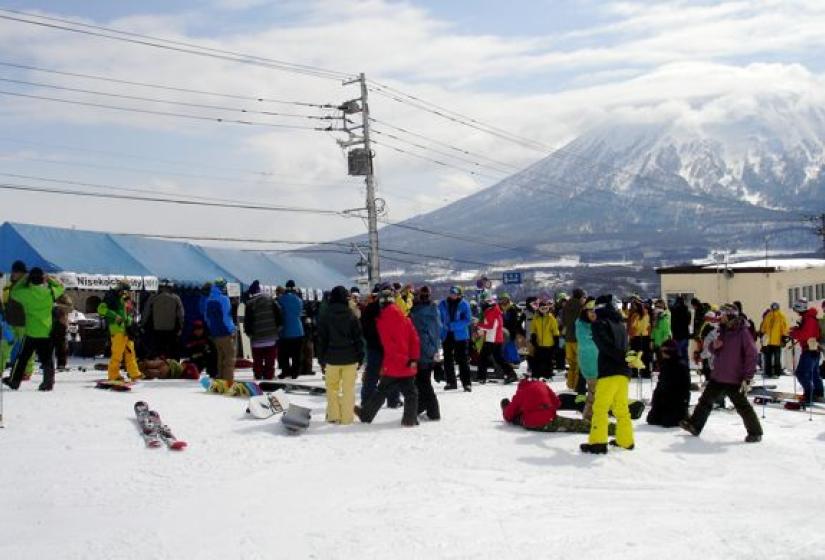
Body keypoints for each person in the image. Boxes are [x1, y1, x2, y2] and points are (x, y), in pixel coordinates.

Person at [680, 304, 762, 442]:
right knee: (705, 401)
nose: (720, 317)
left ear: (730, 315)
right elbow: (715, 349)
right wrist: (714, 346)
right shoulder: (722, 330)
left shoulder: (742, 332)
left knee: (742, 406)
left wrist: (748, 377)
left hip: (735, 377)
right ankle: (694, 425)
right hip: (719, 374)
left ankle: (755, 432)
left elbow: (752, 355)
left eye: (723, 315)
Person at [356, 286, 420, 427]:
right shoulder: (405, 318)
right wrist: (413, 358)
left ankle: (366, 415)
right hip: (408, 362)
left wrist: (401, 360)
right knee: (411, 393)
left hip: (393, 364)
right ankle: (409, 420)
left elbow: (389, 346)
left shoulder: (381, 322)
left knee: (381, 390)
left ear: (381, 303)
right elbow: (414, 340)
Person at [580, 294, 634, 454]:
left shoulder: (599, 324)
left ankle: (598, 442)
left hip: (609, 371)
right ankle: (626, 440)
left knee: (600, 408)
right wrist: (625, 359)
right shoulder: (619, 324)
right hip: (624, 372)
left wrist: (619, 357)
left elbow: (605, 345)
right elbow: (625, 347)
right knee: (621, 408)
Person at [3, 268, 64, 391]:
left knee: (22, 358)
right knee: (47, 359)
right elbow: (61, 287)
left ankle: (14, 381)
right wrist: (50, 279)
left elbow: (13, 291)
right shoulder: (50, 293)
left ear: (30, 279)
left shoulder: (25, 293)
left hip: (30, 332)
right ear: (42, 279)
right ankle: (48, 383)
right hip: (46, 331)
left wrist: (24, 278)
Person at [317, 286, 364, 425]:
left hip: (331, 358)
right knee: (348, 389)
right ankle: (347, 418)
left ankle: (333, 415)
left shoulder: (325, 316)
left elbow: (321, 340)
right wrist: (360, 357)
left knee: (332, 389)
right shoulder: (351, 315)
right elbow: (358, 339)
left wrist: (321, 359)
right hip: (350, 358)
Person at [501, 378, 613, 434]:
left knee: (518, 417)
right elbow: (557, 402)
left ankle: (507, 406)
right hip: (550, 418)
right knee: (576, 424)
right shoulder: (542, 385)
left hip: (531, 422)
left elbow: (508, 415)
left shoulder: (521, 392)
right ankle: (609, 428)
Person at [97, 281, 143, 383]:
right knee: (117, 354)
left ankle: (135, 373)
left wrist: (130, 322)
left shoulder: (123, 298)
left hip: (126, 329)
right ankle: (113, 375)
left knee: (130, 352)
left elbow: (126, 313)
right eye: (124, 290)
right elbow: (101, 309)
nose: (125, 293)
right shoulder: (110, 297)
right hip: (117, 329)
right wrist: (115, 316)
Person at [409, 285, 442, 420]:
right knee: (423, 382)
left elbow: (421, 336)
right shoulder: (435, 310)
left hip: (422, 353)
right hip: (432, 351)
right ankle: (422, 407)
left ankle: (433, 412)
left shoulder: (417, 314)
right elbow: (438, 332)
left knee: (423, 384)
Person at [646, 339, 691, 427]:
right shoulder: (665, 364)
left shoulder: (681, 365)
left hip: (676, 401)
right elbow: (660, 385)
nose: (661, 354)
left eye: (663, 351)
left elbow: (685, 388)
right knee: (652, 420)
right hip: (664, 400)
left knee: (667, 422)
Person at [0, 260, 33, 378]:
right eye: (14, 272)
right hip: (10, 323)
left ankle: (27, 372)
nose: (14, 274)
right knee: (3, 347)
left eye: (17, 272)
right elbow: (5, 301)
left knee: (26, 349)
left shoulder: (29, 286)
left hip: (25, 323)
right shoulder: (8, 287)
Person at [243, 280, 282, 381]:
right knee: (270, 360)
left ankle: (258, 376)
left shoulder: (250, 303)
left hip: (257, 339)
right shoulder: (271, 300)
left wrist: (249, 333)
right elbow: (279, 315)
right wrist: (277, 328)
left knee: (258, 360)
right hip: (271, 337)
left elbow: (247, 321)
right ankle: (269, 376)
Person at [200, 279, 236, 382]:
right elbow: (226, 317)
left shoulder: (209, 300)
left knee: (220, 356)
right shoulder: (224, 299)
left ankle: (220, 377)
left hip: (215, 333)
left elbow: (207, 317)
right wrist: (232, 329)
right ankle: (228, 379)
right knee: (229, 356)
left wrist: (212, 329)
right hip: (225, 332)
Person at [438, 286, 473, 391]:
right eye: (451, 292)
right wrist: (441, 329)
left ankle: (466, 383)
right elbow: (438, 318)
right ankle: (451, 382)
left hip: (461, 336)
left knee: (462, 360)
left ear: (459, 294)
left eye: (455, 293)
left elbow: (467, 320)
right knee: (448, 359)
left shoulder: (464, 304)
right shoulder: (442, 304)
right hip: (447, 335)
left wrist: (453, 326)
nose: (452, 294)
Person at [789, 298, 823, 402]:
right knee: (813, 373)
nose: (795, 311)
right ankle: (818, 392)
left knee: (801, 373)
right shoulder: (808, 318)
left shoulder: (809, 319)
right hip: (813, 350)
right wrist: (796, 329)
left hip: (810, 350)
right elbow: (806, 332)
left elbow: (805, 334)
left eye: (796, 309)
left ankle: (810, 394)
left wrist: (793, 333)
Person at [141, 280, 184, 359]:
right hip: (171, 329)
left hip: (156, 329)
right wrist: (181, 327)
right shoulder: (176, 298)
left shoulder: (153, 297)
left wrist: (142, 324)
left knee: (156, 351)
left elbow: (146, 312)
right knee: (171, 352)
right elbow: (181, 315)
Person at [575, 299, 599, 421]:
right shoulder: (581, 324)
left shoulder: (599, 323)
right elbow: (586, 343)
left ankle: (596, 415)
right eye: (590, 311)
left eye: (595, 311)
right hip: (590, 364)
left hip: (602, 363)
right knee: (593, 393)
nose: (593, 313)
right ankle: (589, 418)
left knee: (599, 392)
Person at [277, 280, 304, 379]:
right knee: (296, 354)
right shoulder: (299, 300)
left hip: (285, 331)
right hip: (298, 330)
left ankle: (285, 371)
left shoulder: (281, 299)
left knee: (284, 354)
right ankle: (295, 372)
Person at [561, 288, 585, 390]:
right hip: (578, 338)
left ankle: (570, 384)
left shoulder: (566, 306)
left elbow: (563, 321)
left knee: (571, 364)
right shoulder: (581, 307)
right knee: (579, 364)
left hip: (568, 338)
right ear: (580, 296)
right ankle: (577, 385)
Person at [529, 299, 559, 379]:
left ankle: (548, 374)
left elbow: (555, 330)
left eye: (546, 308)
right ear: (539, 309)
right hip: (539, 343)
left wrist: (556, 340)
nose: (544, 310)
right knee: (537, 359)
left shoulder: (551, 318)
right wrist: (533, 337)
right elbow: (533, 329)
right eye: (542, 309)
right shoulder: (536, 318)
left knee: (548, 360)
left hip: (549, 343)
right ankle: (536, 374)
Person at [759, 302, 788, 379]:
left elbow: (784, 328)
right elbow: (764, 327)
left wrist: (784, 338)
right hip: (768, 341)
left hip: (777, 341)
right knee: (768, 358)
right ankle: (768, 373)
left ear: (778, 308)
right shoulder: (768, 316)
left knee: (777, 359)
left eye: (775, 307)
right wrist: (762, 333)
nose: (774, 309)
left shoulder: (781, 316)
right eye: (773, 307)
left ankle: (777, 373)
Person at [627, 297, 652, 378]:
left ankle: (634, 373)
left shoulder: (635, 315)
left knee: (633, 355)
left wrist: (630, 336)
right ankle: (646, 373)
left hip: (636, 337)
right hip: (645, 337)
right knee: (645, 356)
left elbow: (633, 327)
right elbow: (649, 327)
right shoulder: (647, 314)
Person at [51, 292, 73, 371]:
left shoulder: (62, 295)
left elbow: (70, 307)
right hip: (50, 322)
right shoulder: (47, 293)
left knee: (61, 345)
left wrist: (57, 306)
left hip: (60, 323)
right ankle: (47, 364)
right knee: (49, 345)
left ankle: (61, 364)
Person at [670, 296, 691, 366]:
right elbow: (688, 322)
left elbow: (672, 324)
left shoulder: (673, 311)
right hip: (685, 334)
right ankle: (686, 370)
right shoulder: (687, 310)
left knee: (677, 354)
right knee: (685, 353)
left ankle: (679, 370)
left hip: (676, 335)